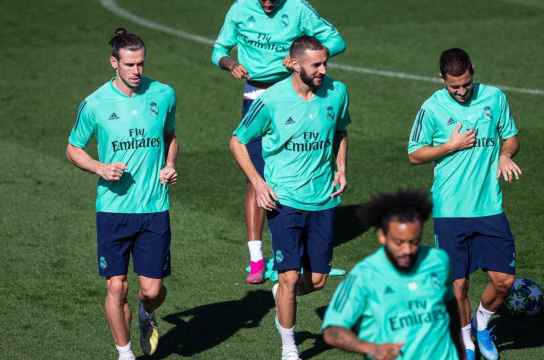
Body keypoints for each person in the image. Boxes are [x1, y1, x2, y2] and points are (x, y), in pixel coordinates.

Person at [229, 35, 350, 360]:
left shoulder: (337, 93)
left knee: (318, 280)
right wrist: (257, 182)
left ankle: (284, 292)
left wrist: (340, 166)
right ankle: (289, 346)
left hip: (323, 199)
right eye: (317, 64)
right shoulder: (271, 100)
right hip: (285, 200)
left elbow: (340, 131)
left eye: (325, 62)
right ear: (295, 64)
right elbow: (238, 141)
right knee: (290, 274)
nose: (324, 69)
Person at [212, 0, 346, 284]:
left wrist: (306, 62)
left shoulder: (298, 9)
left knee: (305, 161)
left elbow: (336, 40)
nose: (268, 3)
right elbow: (218, 52)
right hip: (258, 98)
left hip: (295, 95)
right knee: (257, 177)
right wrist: (230, 63)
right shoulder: (239, 10)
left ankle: (301, 257)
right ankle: (257, 257)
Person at [66, 28, 179, 360]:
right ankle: (124, 353)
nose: (136, 71)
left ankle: (146, 313)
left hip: (154, 207)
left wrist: (170, 163)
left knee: (151, 290)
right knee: (116, 286)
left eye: (140, 64)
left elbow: (171, 136)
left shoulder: (164, 94)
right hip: (113, 209)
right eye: (129, 64)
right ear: (113, 62)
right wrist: (100, 168)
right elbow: (73, 148)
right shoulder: (95, 103)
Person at [407, 48, 522, 360]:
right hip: (450, 211)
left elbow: (511, 137)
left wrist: (505, 154)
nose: (460, 91)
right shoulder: (431, 108)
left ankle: (482, 323)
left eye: (465, 84)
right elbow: (414, 153)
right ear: (441, 78)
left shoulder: (495, 98)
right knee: (458, 286)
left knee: (504, 282)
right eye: (453, 86)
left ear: (472, 70)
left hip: (489, 208)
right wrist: (450, 146)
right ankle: (467, 343)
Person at [322, 190, 463, 360]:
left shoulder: (438, 260)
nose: (407, 250)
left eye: (414, 241)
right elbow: (332, 331)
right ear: (382, 236)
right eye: (399, 242)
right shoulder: (364, 275)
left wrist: (461, 352)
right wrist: (371, 348)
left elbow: (450, 308)